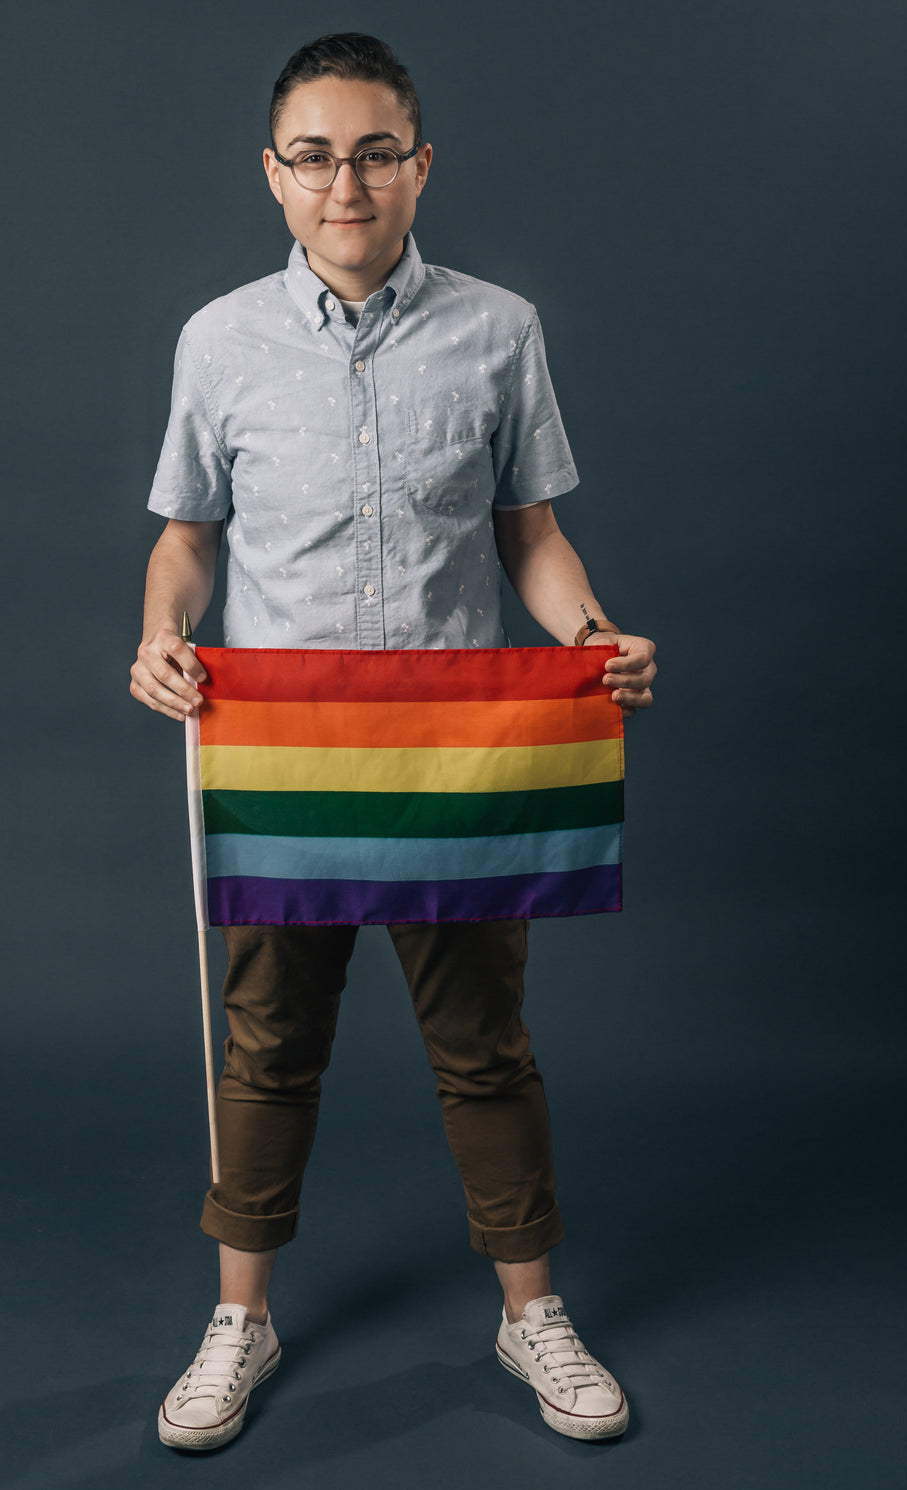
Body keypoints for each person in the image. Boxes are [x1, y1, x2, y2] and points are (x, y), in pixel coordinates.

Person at [130, 32, 656, 1452]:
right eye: (314, 154)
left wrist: (590, 632)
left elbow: (531, 536)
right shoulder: (218, 341)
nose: (344, 181)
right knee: (265, 1045)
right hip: (281, 756)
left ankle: (529, 1309)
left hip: (453, 756)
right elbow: (187, 541)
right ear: (274, 177)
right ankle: (242, 1313)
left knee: (485, 1045)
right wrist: (157, 633)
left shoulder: (501, 330)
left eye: (374, 152)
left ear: (420, 167)